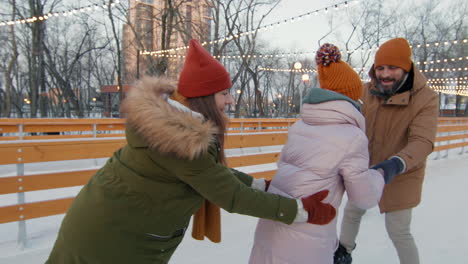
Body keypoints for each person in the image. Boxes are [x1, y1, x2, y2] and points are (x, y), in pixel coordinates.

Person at [45, 39, 336, 264]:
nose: (231, 100)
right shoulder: (181, 142)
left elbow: (209, 174)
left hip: (104, 224)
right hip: (111, 238)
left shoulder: (174, 130)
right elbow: (230, 195)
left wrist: (261, 185)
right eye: (224, 93)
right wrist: (298, 211)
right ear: (205, 98)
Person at [248, 43, 386, 264]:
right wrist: (380, 175)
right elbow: (364, 196)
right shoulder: (352, 137)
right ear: (351, 99)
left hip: (271, 228)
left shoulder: (299, 127)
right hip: (307, 239)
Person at [334, 38, 439, 264]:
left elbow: (423, 140)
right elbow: (343, 116)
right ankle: (343, 252)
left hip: (402, 172)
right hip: (367, 167)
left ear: (406, 68)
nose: (385, 74)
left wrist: (396, 163)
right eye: (380, 68)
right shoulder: (366, 91)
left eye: (392, 68)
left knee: (398, 230)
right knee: (352, 211)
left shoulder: (425, 98)